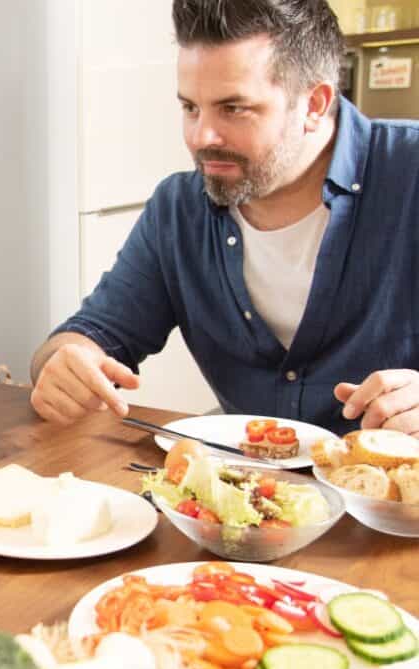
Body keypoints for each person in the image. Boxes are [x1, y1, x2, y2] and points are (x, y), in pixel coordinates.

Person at [30, 0, 419, 438]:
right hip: (244, 489)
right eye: (191, 108)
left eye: (233, 109)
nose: (201, 138)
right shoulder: (178, 209)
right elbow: (89, 335)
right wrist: (65, 362)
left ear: (315, 103)